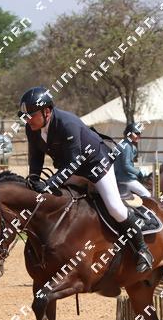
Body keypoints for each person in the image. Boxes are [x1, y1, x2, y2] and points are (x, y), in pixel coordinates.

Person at [19, 86, 153, 273]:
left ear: (46, 111)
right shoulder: (31, 128)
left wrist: (50, 183)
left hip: (96, 165)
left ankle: (142, 249)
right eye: (24, 116)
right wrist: (34, 178)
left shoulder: (67, 124)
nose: (27, 119)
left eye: (30, 115)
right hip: (71, 168)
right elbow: (35, 157)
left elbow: (74, 162)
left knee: (114, 208)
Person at [115, 122, 151, 198]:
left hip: (122, 177)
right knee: (147, 195)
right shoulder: (127, 146)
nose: (139, 136)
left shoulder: (125, 144)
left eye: (139, 134)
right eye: (136, 133)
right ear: (129, 134)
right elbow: (126, 165)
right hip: (125, 179)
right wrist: (138, 173)